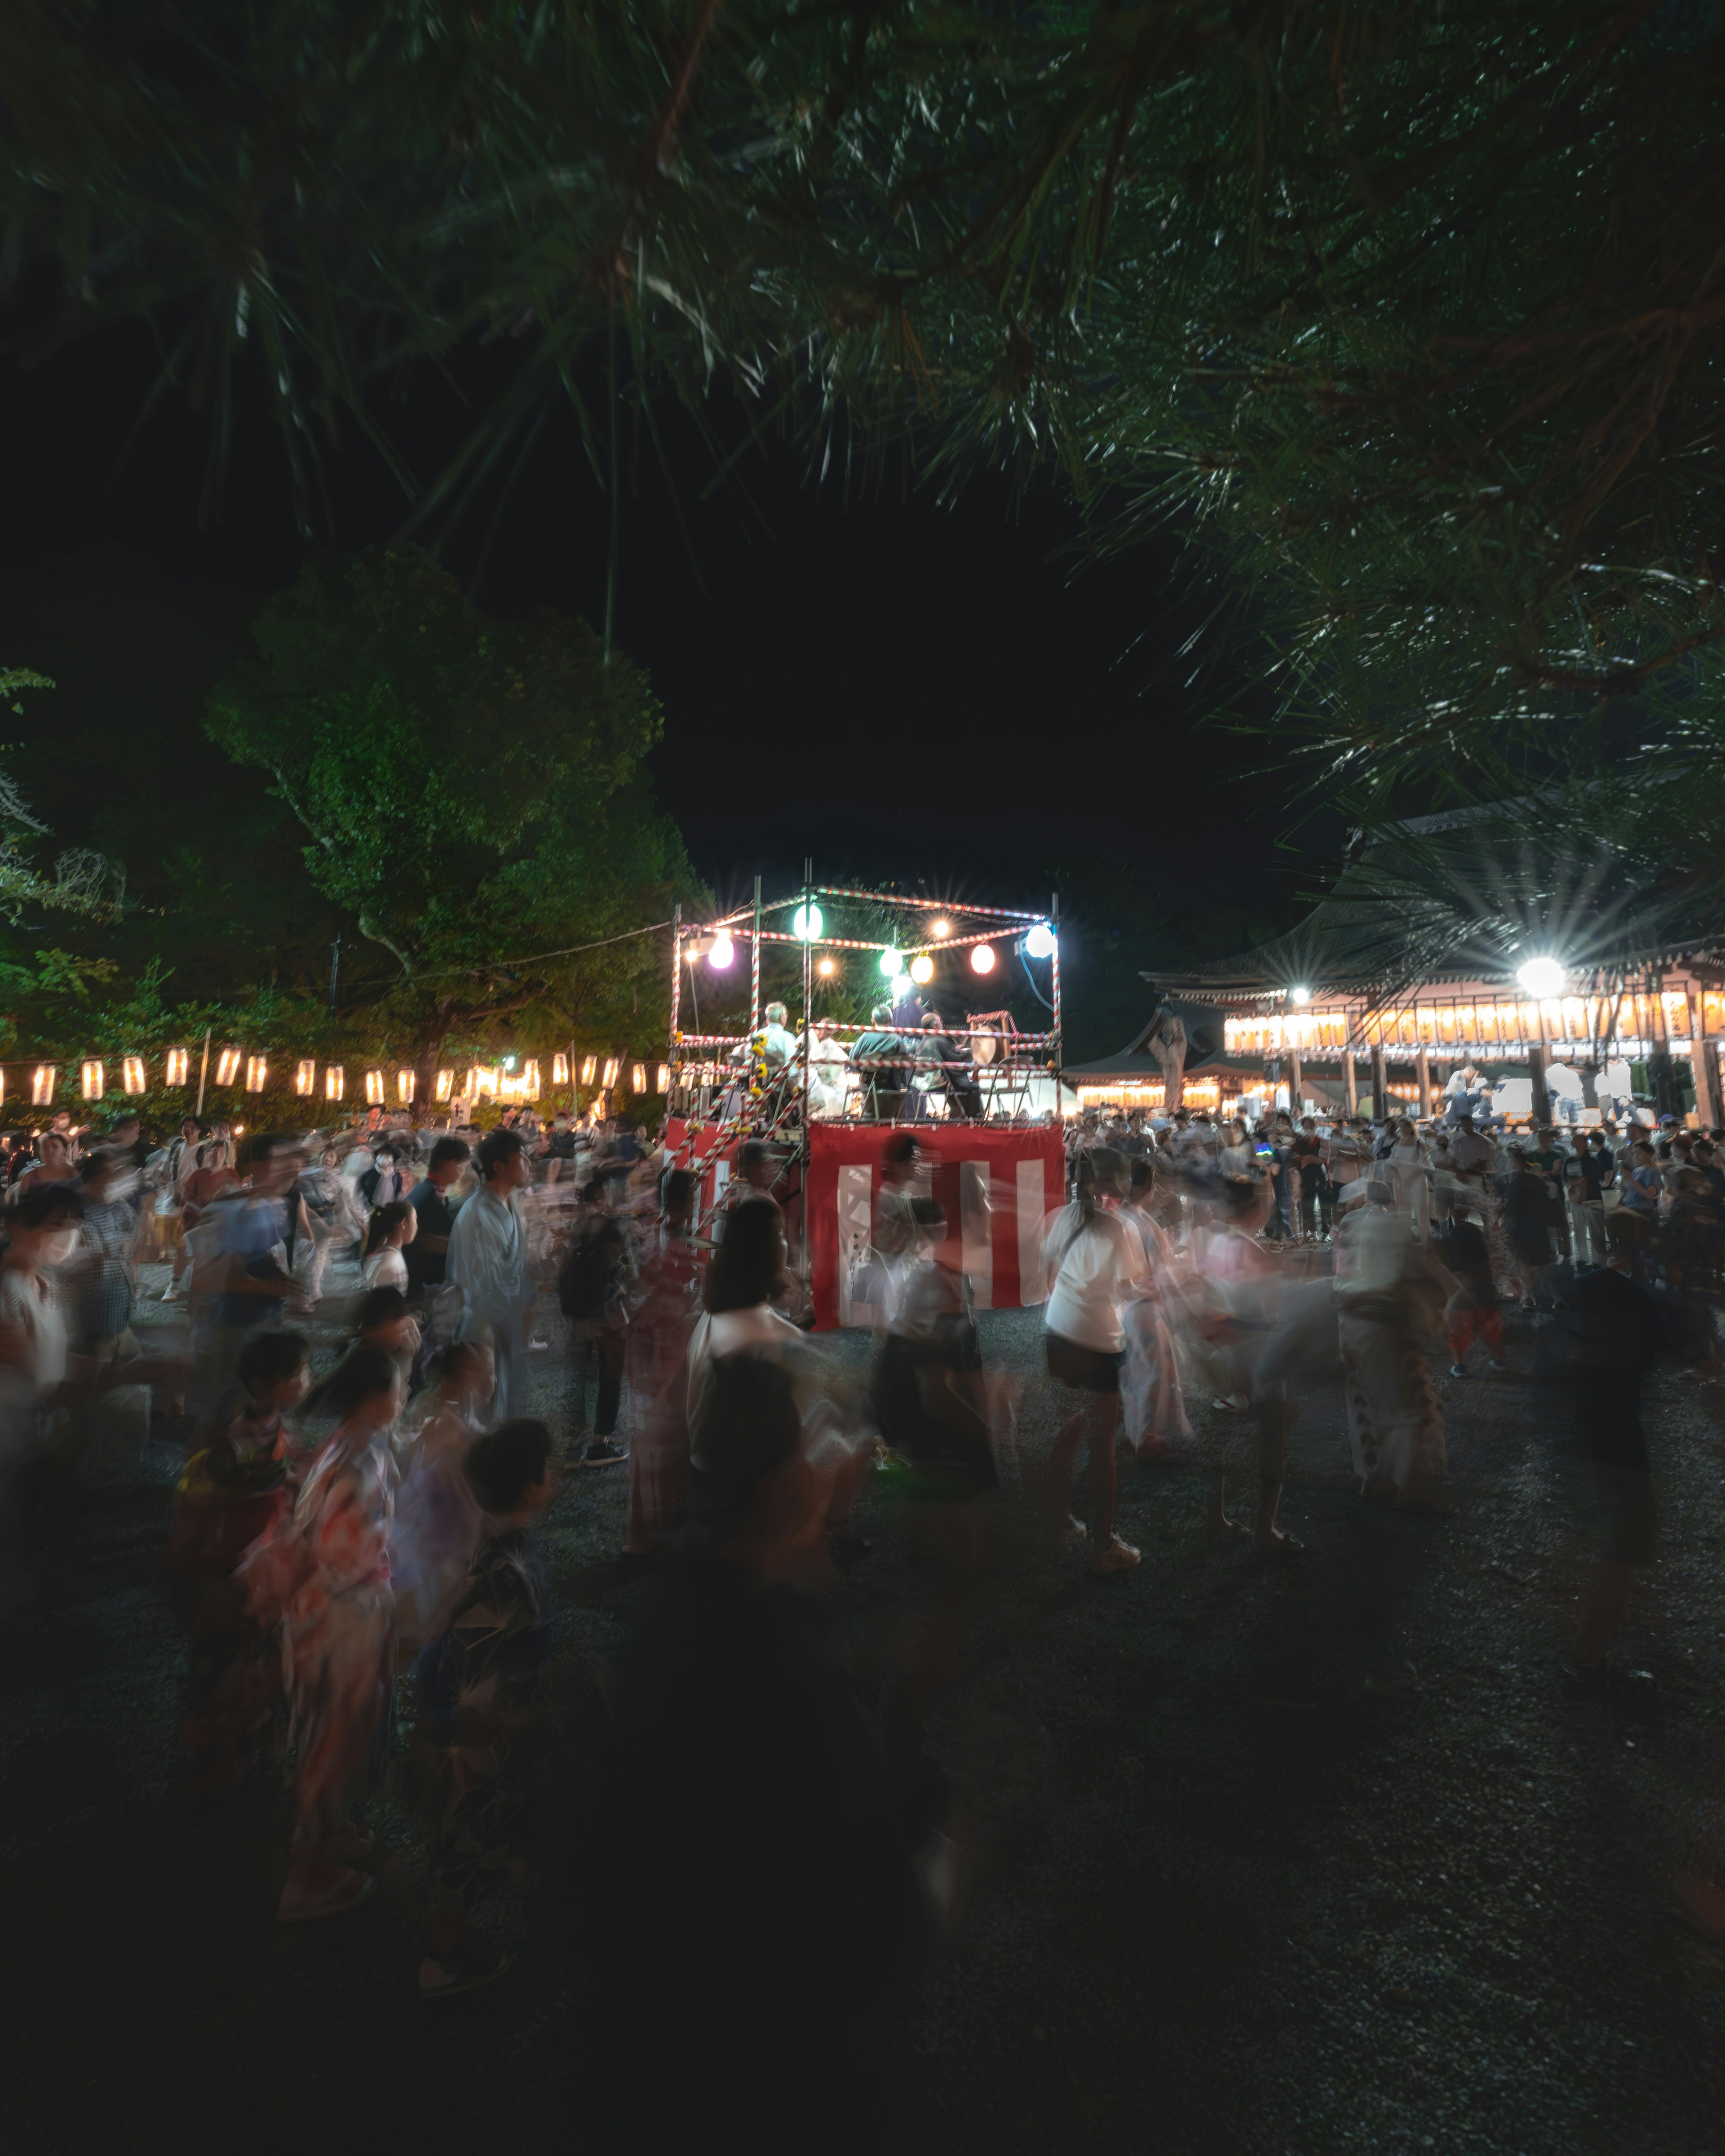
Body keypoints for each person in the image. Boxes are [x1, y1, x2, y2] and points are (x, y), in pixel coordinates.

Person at [616, 1356, 933, 2147]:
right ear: (779, 1486)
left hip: (662, 2054)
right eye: (804, 1449)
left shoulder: (661, 1625)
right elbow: (885, 1918)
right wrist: (934, 1831)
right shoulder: (793, 1681)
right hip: (774, 2075)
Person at [241, 1345, 402, 1923]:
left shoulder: (352, 1442)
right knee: (330, 1739)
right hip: (339, 1619)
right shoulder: (356, 1462)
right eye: (396, 1388)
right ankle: (307, 1876)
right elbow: (347, 1557)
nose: (403, 1398)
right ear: (372, 1398)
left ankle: (328, 1831)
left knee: (334, 1732)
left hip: (329, 1611)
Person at [417, 1417, 556, 1997]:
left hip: (469, 1726)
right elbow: (488, 1674)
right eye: (551, 1469)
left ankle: (446, 1944)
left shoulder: (491, 1545)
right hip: (481, 1737)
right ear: (531, 1489)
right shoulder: (509, 1572)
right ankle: (440, 1960)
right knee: (466, 1842)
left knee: (468, 1839)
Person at [1531, 1211, 1676, 1684]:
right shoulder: (1638, 1299)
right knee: (1622, 1548)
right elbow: (1670, 1346)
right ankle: (1586, 1656)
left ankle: (1582, 1640)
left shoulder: (1584, 1288)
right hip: (1618, 1440)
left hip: (1579, 1431)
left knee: (1603, 1541)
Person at [168, 1331, 311, 1789]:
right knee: (226, 1664)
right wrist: (271, 1485)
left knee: (253, 1661)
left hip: (260, 1566)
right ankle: (211, 1756)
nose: (308, 1381)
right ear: (266, 1385)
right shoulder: (233, 1444)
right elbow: (202, 1500)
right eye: (299, 1374)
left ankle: (244, 1754)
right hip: (230, 1571)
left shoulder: (267, 1428)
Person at [1040, 1147, 1146, 1573]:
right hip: (1097, 1339)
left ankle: (1058, 1517)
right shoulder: (1116, 1229)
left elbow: (1051, 1269)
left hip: (1059, 1331)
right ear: (1110, 1187)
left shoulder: (1064, 1216)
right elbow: (1125, 1290)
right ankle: (1104, 1545)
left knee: (1070, 1426)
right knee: (1102, 1444)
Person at [1334, 1179, 1451, 1510]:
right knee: (1411, 1409)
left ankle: (1374, 1478)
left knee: (1363, 1403)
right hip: (1381, 1323)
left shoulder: (1349, 1224)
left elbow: (1340, 1269)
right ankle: (1410, 1487)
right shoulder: (1395, 1229)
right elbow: (1410, 1279)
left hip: (1348, 1319)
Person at [391, 1338, 493, 1650]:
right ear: (466, 1377)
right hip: (440, 1514)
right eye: (485, 1371)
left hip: (444, 1512)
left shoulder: (453, 1405)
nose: (490, 1379)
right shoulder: (437, 1412)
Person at [624, 1168, 703, 1557]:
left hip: (656, 1345)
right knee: (660, 1437)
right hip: (661, 1346)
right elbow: (660, 1293)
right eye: (692, 1197)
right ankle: (648, 1532)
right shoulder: (667, 1236)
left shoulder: (660, 1232)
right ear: (682, 1200)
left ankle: (651, 1528)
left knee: (658, 1437)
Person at [446, 1127, 534, 1419]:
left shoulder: (509, 1203)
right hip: (483, 1328)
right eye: (522, 1159)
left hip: (503, 1325)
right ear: (499, 1167)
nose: (529, 1164)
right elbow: (482, 1289)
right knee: (481, 1415)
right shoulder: (480, 1215)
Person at [558, 1175, 632, 1467]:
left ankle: (572, 1448)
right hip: (608, 1315)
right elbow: (631, 1273)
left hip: (577, 1313)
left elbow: (562, 1271)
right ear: (605, 1198)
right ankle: (600, 1445)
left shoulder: (576, 1229)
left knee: (576, 1379)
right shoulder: (617, 1228)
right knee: (610, 1377)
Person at [1442, 1206, 1508, 1378]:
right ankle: (1499, 1360)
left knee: (1456, 1329)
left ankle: (1460, 1368)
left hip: (1465, 1286)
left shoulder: (1453, 1237)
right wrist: (1491, 1284)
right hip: (1483, 1284)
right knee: (1488, 1323)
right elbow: (1487, 1263)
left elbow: (1454, 1270)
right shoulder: (1474, 1231)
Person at [853, 1003, 907, 1121]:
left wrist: (868, 1070)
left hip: (869, 1086)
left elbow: (854, 1059)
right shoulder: (897, 1040)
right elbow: (904, 1064)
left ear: (873, 1021)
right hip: (892, 1086)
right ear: (891, 1020)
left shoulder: (865, 1037)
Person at [361, 1198, 417, 1292]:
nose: (417, 1226)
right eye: (415, 1220)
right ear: (404, 1223)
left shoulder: (389, 1256)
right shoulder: (389, 1263)